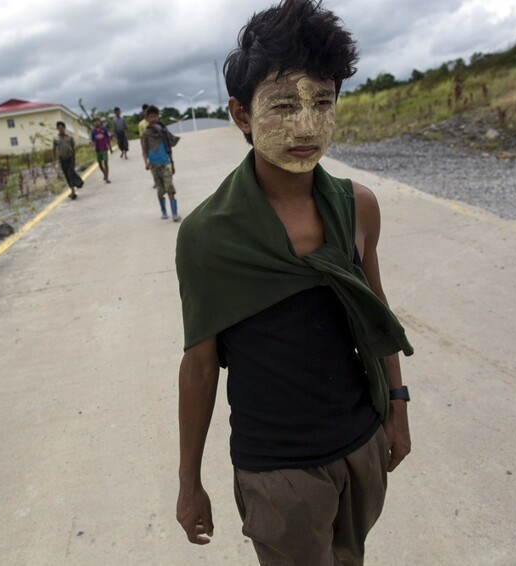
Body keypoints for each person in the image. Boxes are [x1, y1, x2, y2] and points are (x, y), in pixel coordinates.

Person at [174, 1, 414, 564]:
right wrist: (189, 480)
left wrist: (398, 407)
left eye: (323, 102)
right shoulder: (208, 236)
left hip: (361, 444)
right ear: (241, 114)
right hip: (277, 470)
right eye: (283, 105)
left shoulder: (358, 207)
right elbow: (200, 364)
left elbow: (376, 314)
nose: (307, 126)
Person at [141, 105, 181, 221]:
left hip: (166, 163)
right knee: (160, 190)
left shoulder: (163, 131)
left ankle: (174, 214)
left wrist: (172, 164)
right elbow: (144, 150)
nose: (153, 119)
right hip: (154, 165)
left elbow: (169, 148)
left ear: (158, 117)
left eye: (155, 116)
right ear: (147, 118)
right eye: (151, 117)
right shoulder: (146, 134)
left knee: (170, 187)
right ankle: (163, 211)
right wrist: (146, 163)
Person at [52, 121, 83, 200]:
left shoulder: (69, 138)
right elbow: (54, 150)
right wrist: (54, 160)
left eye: (62, 128)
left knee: (70, 174)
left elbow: (73, 148)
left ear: (64, 128)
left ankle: (73, 191)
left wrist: (74, 158)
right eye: (59, 128)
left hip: (70, 159)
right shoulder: (56, 139)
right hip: (62, 159)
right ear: (57, 129)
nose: (61, 130)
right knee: (67, 175)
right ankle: (75, 186)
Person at [89, 117, 113, 183]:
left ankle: (107, 177)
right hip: (98, 150)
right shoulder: (93, 131)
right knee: (100, 164)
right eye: (95, 121)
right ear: (93, 123)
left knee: (105, 162)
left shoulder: (104, 129)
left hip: (104, 149)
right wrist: (91, 143)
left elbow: (108, 138)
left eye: (97, 121)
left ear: (100, 121)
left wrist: (110, 148)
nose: (96, 122)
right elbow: (91, 140)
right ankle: (104, 173)